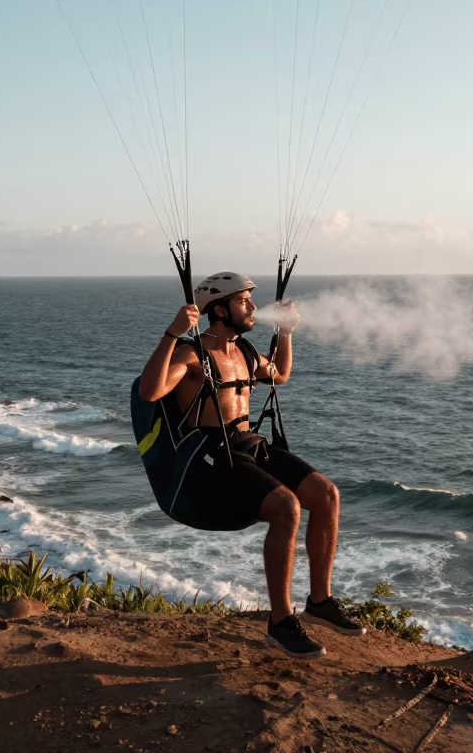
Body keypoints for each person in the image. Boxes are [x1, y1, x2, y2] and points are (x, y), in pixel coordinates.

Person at [138, 271, 365, 659]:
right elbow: (150, 391)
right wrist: (172, 333)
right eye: (244, 301)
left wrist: (288, 333)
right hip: (212, 453)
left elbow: (279, 374)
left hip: (248, 443)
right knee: (286, 507)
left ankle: (320, 601)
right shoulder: (191, 354)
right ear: (220, 309)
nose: (253, 308)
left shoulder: (243, 350)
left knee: (326, 495)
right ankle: (280, 621)